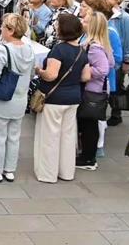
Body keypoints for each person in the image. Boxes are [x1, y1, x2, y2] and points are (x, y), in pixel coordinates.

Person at [33, 14, 91, 183]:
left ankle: (47, 174)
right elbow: (86, 76)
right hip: (73, 98)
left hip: (54, 99)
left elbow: (51, 75)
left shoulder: (59, 50)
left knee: (50, 137)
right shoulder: (81, 50)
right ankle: (66, 172)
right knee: (67, 137)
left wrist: (39, 71)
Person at [0, 13, 35, 183]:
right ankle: (9, 169)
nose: (1, 29)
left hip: (1, 100)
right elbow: (31, 73)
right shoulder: (29, 50)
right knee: (13, 136)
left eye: (3, 26)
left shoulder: (2, 51)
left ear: (10, 30)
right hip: (20, 99)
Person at [75, 8, 114, 171]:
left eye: (85, 21)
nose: (82, 22)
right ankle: (87, 155)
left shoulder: (95, 47)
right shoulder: (101, 44)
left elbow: (104, 69)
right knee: (89, 124)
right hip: (97, 89)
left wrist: (85, 73)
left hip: (92, 90)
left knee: (88, 125)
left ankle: (88, 158)